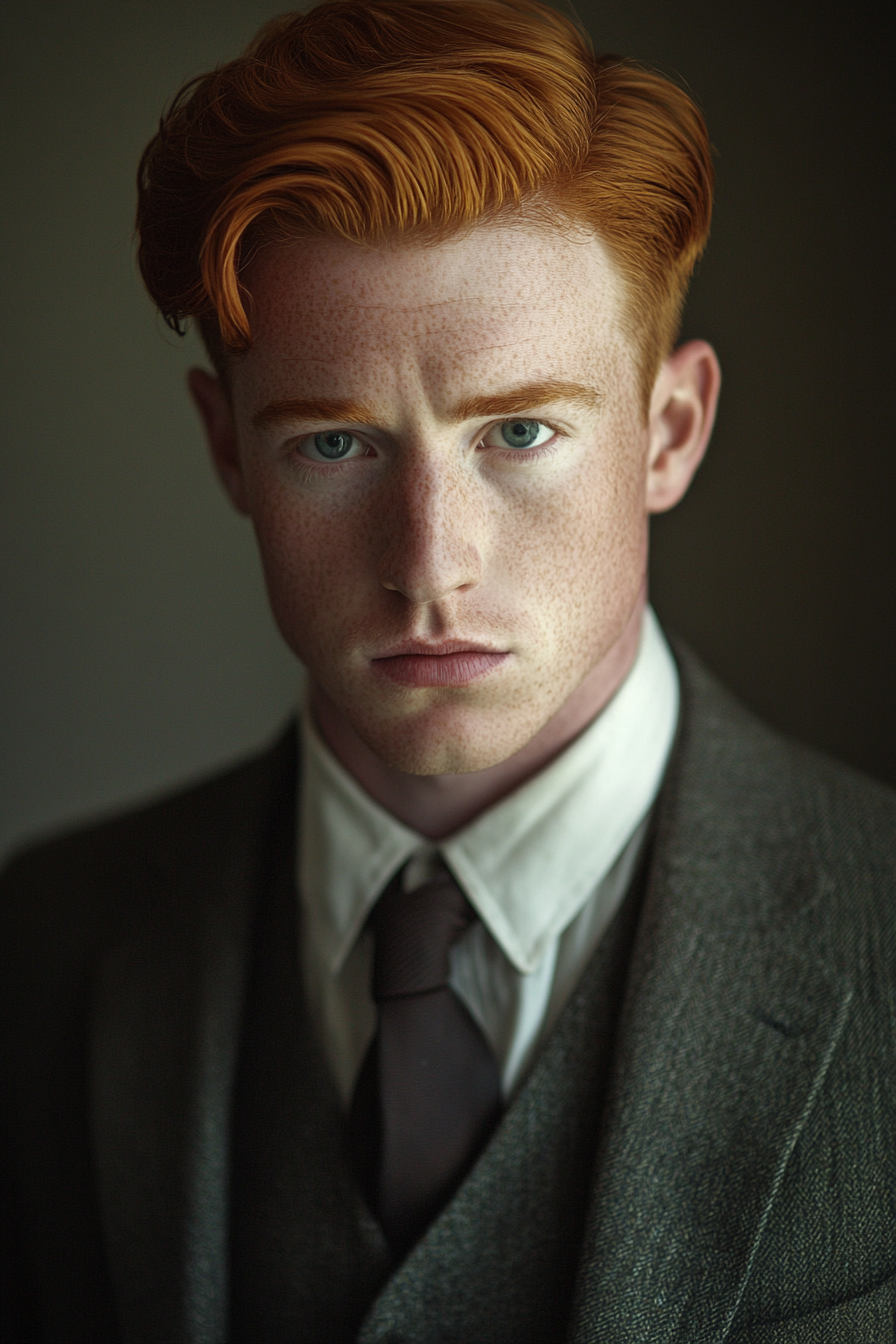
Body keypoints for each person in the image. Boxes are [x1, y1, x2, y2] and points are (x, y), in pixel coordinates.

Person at [2, 0, 893, 1339]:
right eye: (336, 445)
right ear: (228, 451)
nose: (430, 564)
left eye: (520, 432)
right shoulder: (40, 944)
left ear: (671, 430)